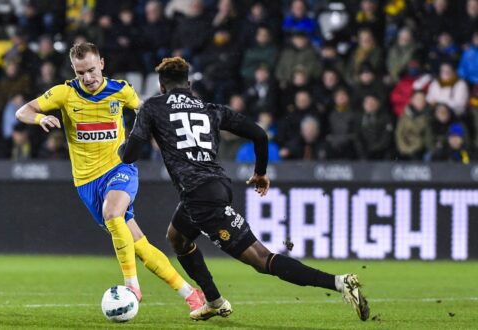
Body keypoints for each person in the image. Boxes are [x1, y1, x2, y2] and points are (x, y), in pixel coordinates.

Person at [120, 57, 370, 321]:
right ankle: (214, 300)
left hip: (200, 197)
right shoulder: (209, 108)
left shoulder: (153, 107)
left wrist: (120, 144)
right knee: (177, 237)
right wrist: (260, 173)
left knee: (262, 259)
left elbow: (130, 155)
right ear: (189, 84)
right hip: (214, 186)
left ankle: (340, 283)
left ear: (161, 86)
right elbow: (260, 134)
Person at [14, 42, 205, 314]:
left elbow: (144, 111)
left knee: (112, 212)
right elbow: (24, 111)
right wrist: (40, 119)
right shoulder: (63, 94)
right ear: (74, 70)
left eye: (92, 70)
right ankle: (190, 293)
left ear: (101, 63)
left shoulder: (121, 90)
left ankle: (132, 286)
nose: (88, 78)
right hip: (87, 183)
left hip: (119, 169)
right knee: (139, 244)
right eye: (81, 73)